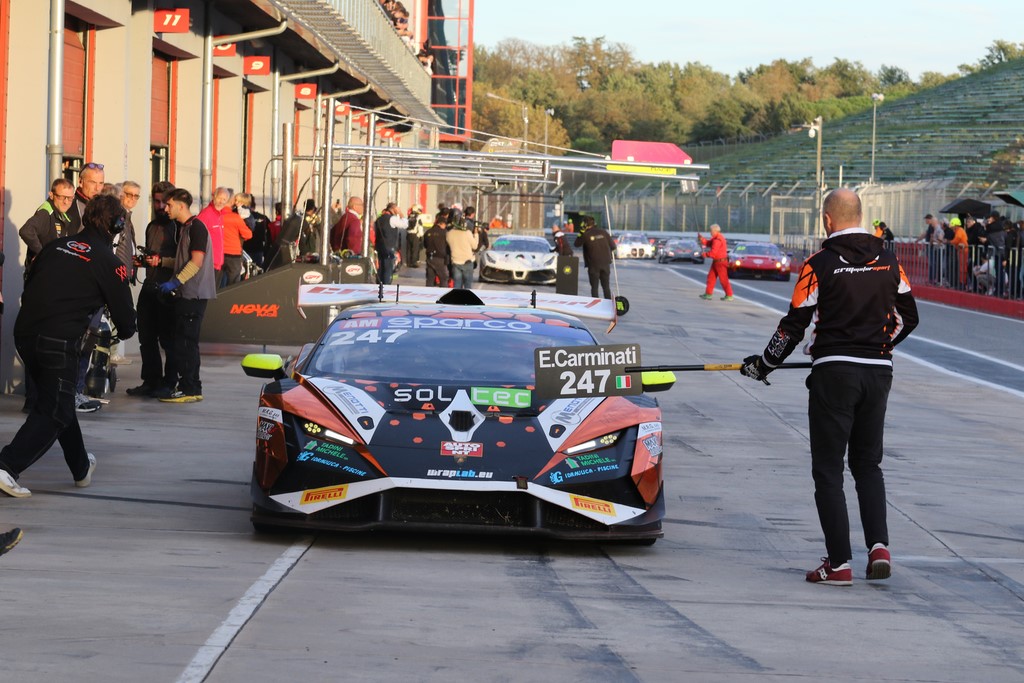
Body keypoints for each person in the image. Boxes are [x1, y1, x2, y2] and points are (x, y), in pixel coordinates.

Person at [740, 188, 919, 585]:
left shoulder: (818, 264)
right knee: (867, 464)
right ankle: (879, 547)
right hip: (878, 373)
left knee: (828, 469)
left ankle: (839, 563)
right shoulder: (889, 261)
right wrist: (879, 346)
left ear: (827, 219)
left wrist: (763, 364)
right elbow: (909, 318)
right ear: (861, 216)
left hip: (833, 373)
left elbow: (793, 325)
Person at [0, 193, 137, 499]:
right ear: (117, 225)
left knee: (57, 400)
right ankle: (6, 466)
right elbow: (127, 324)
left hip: (25, 333)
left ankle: (80, 467)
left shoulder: (55, 247)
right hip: (59, 340)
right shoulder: (111, 264)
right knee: (55, 411)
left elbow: (31, 283)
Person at [155, 188, 217, 403]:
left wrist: (175, 282)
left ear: (181, 206)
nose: (166, 208)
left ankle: (189, 389)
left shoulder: (197, 227)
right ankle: (190, 387)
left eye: (169, 205)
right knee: (183, 342)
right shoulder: (187, 228)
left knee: (187, 344)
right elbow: (184, 260)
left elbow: (196, 261)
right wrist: (160, 262)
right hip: (187, 294)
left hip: (193, 295)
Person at [127, 181, 178, 398]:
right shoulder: (151, 226)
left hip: (169, 290)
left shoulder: (178, 228)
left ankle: (170, 383)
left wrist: (161, 261)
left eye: (164, 202)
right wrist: (142, 262)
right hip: (149, 287)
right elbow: (152, 256)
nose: (160, 206)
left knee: (168, 341)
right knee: (146, 338)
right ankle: (151, 381)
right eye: (156, 201)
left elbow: (185, 261)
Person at [18, 178, 75, 269]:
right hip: (42, 271)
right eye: (61, 197)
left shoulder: (63, 214)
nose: (66, 202)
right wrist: (42, 254)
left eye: (70, 198)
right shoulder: (46, 212)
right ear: (51, 195)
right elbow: (26, 231)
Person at [196, 187, 231, 284]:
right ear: (214, 197)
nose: (221, 202)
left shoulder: (220, 215)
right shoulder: (206, 214)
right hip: (208, 263)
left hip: (218, 263)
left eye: (224, 199)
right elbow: (197, 234)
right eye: (219, 198)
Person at [574, 216, 614, 299]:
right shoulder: (604, 232)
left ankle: (596, 304)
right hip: (605, 263)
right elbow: (613, 246)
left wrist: (581, 232)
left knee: (594, 287)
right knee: (606, 287)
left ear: (585, 224)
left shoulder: (586, 234)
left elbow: (576, 244)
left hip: (593, 264)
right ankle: (608, 303)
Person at [221, 195, 253, 285]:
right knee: (234, 282)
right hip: (234, 252)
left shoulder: (214, 216)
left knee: (217, 281)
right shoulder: (235, 217)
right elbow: (248, 234)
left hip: (217, 252)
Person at [697, 224, 734, 301]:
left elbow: (713, 253)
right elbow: (708, 243)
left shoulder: (717, 240)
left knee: (723, 279)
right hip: (717, 262)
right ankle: (708, 294)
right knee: (711, 278)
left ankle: (729, 295)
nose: (710, 232)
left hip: (720, 262)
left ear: (715, 231)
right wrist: (702, 239)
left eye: (711, 231)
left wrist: (705, 254)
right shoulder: (716, 238)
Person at [66, 161, 105, 233]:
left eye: (101, 183)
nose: (97, 188)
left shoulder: (103, 206)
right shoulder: (72, 206)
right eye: (92, 182)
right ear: (80, 182)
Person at [446, 207, 479, 289]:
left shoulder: (449, 234)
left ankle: (457, 297)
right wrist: (476, 234)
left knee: (457, 284)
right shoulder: (467, 233)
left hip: (455, 261)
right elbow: (475, 246)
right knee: (467, 285)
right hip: (467, 261)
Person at [422, 213, 449, 287]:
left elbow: (425, 245)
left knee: (430, 278)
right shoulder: (445, 233)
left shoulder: (428, 232)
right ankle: (444, 293)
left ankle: (429, 293)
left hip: (430, 257)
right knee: (444, 278)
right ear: (442, 224)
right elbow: (448, 245)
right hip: (440, 258)